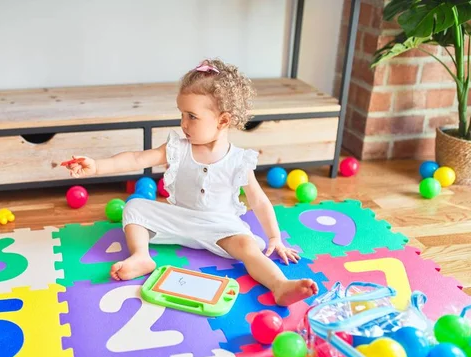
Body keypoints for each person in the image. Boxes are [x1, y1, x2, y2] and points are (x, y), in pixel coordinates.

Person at [64, 59, 318, 306]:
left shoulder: (239, 160)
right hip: (179, 218)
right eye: (182, 114)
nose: (183, 123)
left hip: (220, 227)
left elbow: (259, 200)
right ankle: (141, 256)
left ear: (223, 120)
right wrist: (97, 166)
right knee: (135, 207)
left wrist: (275, 238)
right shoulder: (178, 147)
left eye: (192, 117)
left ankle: (280, 285)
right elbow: (137, 157)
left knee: (247, 247)